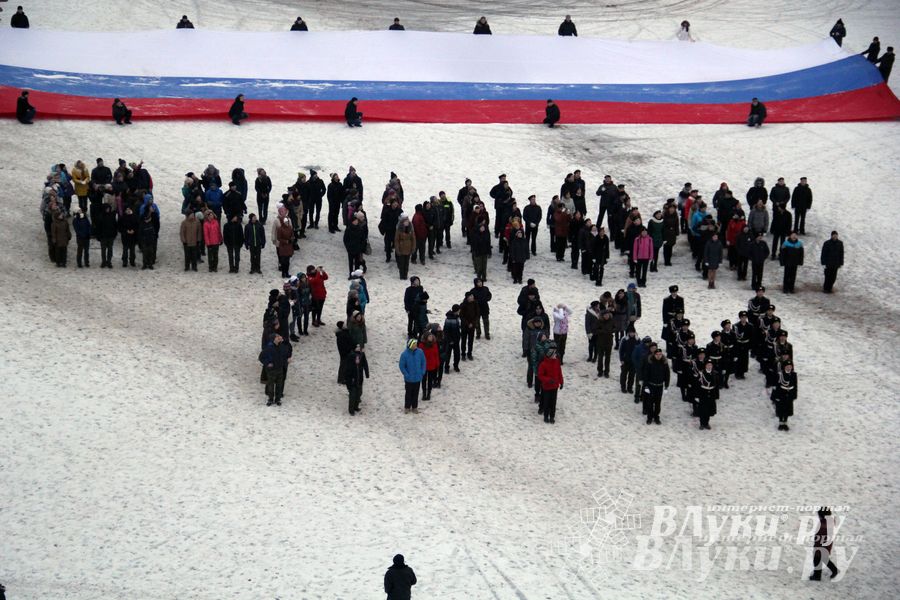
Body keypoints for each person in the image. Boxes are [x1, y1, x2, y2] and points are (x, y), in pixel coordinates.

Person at [259, 334, 291, 406]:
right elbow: (261, 357)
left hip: (280, 369)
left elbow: (287, 350)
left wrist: (286, 360)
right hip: (271, 370)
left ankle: (278, 399)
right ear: (274, 339)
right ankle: (270, 399)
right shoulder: (269, 348)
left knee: (279, 385)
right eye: (277, 337)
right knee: (271, 385)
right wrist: (267, 363)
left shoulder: (281, 346)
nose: (279, 337)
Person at [641, 347, 670, 424]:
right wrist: (646, 386)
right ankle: (649, 417)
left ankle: (656, 417)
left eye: (660, 354)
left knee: (658, 403)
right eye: (657, 354)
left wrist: (666, 386)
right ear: (654, 355)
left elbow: (667, 375)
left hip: (659, 386)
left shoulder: (664, 363)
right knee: (650, 403)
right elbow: (646, 375)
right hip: (651, 385)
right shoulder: (650, 362)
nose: (658, 356)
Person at [809, 509, 839, 580]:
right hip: (826, 545)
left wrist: (817, 543)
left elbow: (820, 535)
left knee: (817, 559)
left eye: (819, 515)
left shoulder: (824, 524)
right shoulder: (828, 522)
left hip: (821, 545)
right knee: (824, 558)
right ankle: (834, 570)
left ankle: (817, 576)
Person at [399, 339, 426, 414]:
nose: (415, 345)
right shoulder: (404, 354)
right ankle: (407, 407)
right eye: (414, 344)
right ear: (410, 345)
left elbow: (423, 362)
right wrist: (406, 374)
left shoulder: (420, 352)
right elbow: (401, 366)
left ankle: (414, 407)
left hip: (417, 378)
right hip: (409, 379)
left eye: (416, 343)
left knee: (416, 393)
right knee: (408, 393)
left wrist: (422, 372)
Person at [537, 347, 563, 423]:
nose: (556, 355)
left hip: (555, 386)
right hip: (546, 387)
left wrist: (561, 382)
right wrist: (548, 380)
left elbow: (559, 373)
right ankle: (545, 416)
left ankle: (552, 416)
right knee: (546, 402)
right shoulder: (543, 364)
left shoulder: (557, 362)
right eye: (554, 354)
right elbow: (540, 375)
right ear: (551, 355)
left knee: (553, 403)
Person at [772, 361, 797, 431]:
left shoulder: (793, 375)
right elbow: (776, 386)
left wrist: (794, 395)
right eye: (787, 366)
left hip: (789, 395)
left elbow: (795, 386)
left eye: (790, 366)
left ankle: (785, 423)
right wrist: (775, 396)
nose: (789, 368)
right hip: (781, 394)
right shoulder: (780, 375)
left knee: (787, 409)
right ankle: (780, 423)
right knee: (781, 409)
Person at [695, 360, 719, 430]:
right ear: (705, 366)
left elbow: (716, 386)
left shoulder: (715, 373)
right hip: (703, 393)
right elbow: (697, 385)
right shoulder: (701, 373)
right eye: (708, 365)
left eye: (710, 365)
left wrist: (716, 396)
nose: (709, 366)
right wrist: (696, 396)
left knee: (709, 410)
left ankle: (706, 423)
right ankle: (702, 423)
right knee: (702, 409)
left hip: (711, 393)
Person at [593, 310, 616, 378]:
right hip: (600, 342)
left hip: (609, 342)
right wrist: (603, 331)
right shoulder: (599, 321)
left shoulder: (612, 320)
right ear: (603, 316)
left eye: (607, 315)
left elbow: (615, 328)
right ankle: (600, 371)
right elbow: (595, 330)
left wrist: (611, 331)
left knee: (608, 358)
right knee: (600, 357)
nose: (606, 316)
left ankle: (606, 372)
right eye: (605, 315)